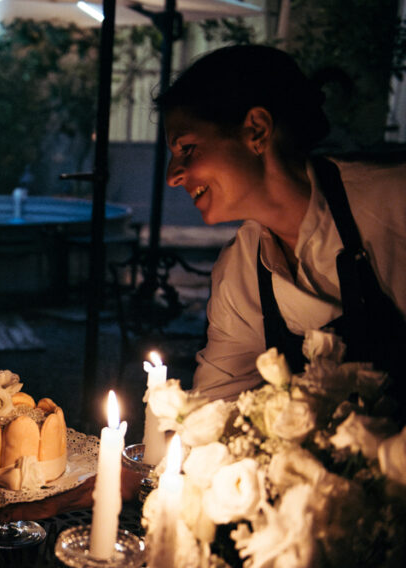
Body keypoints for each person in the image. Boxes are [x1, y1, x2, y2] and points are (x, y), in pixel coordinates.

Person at [157, 44, 406, 401]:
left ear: (256, 130)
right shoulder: (240, 271)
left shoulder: (392, 207)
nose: (173, 176)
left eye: (187, 149)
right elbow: (215, 402)